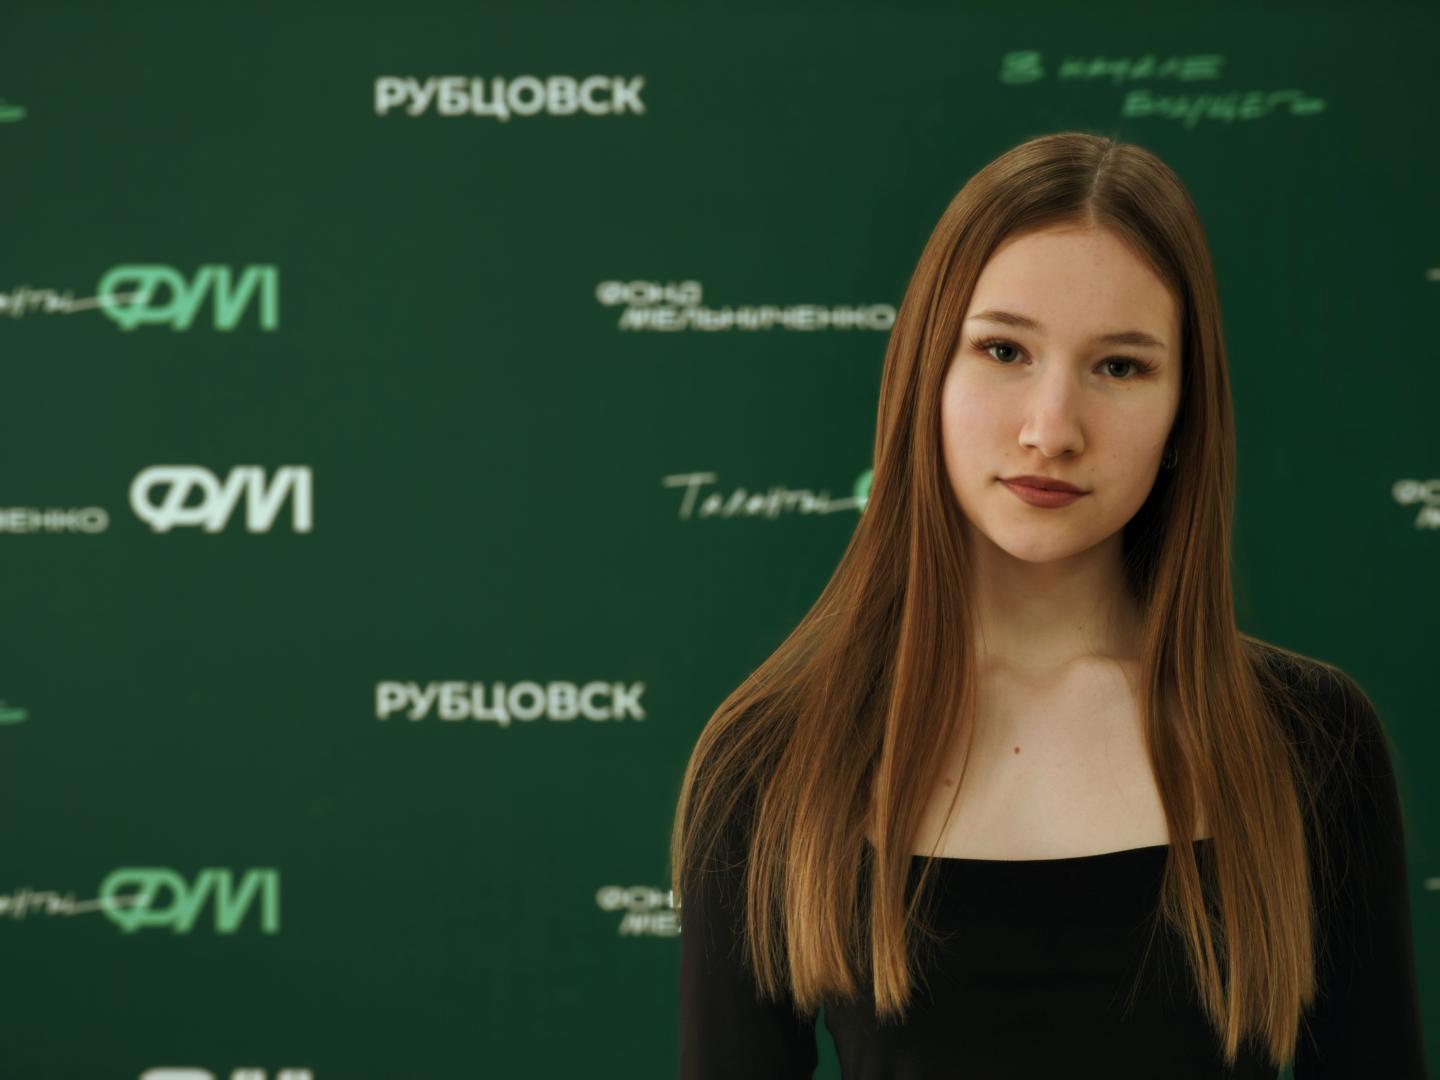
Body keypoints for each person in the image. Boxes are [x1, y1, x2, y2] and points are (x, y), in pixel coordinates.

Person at [670, 131, 1427, 1078]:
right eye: (1003, 350)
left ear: (1185, 413)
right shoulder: (772, 757)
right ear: (926, 376)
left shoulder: (1312, 739)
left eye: (1121, 367)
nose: (1051, 429)